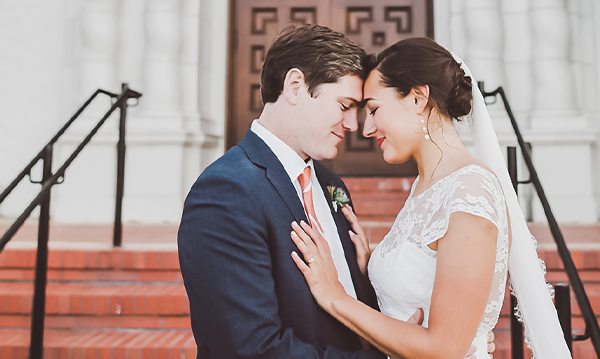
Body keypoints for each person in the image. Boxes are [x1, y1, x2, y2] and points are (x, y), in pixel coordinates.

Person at [178, 25, 490, 359]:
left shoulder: (331, 186)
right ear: (295, 86)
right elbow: (252, 351)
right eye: (345, 106)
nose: (355, 126)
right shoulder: (226, 193)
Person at [290, 37, 571, 358]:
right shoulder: (426, 186)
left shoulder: (470, 192)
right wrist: (373, 265)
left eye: (374, 109)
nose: (365, 128)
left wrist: (335, 297)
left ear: (418, 98)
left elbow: (443, 349)